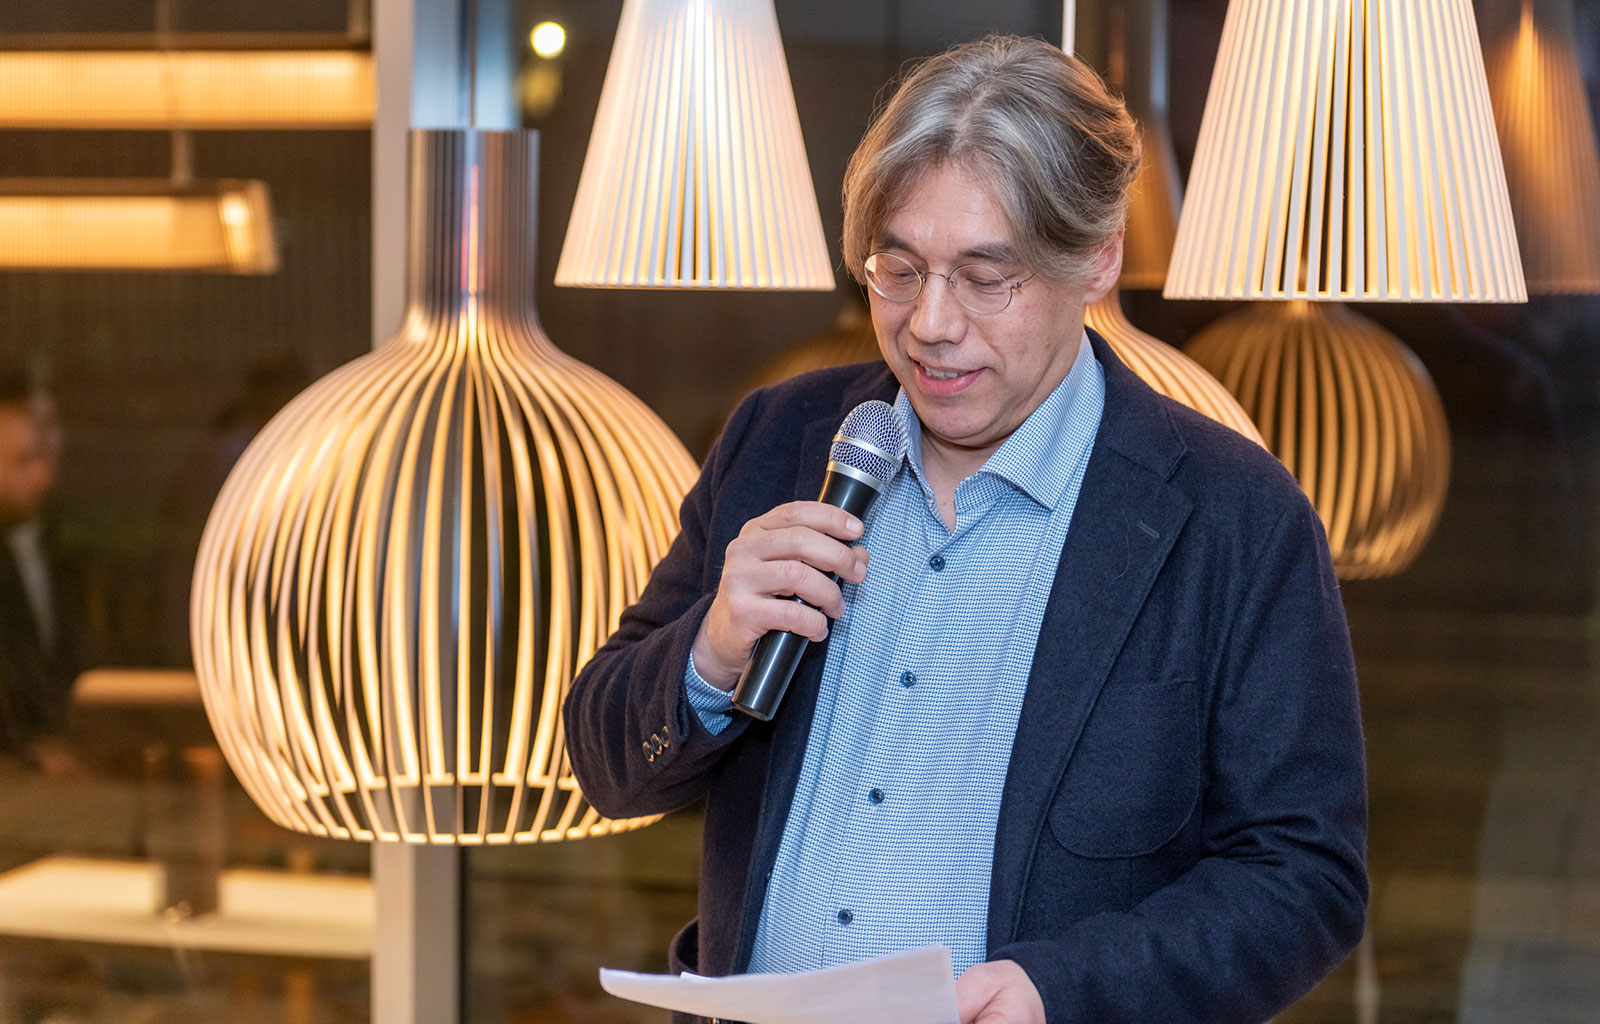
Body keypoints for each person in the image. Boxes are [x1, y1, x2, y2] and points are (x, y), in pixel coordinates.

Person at [565, 35, 1366, 1024]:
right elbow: (606, 758)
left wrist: (1061, 991)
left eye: (987, 279)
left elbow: (1301, 877)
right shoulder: (778, 440)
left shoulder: (1230, 515)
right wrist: (711, 653)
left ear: (1096, 258)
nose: (930, 323)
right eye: (896, 271)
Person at [0, 370, 82, 775]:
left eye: (47, 457)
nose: (43, 476)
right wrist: (24, 758)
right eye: (22, 461)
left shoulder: (61, 543)